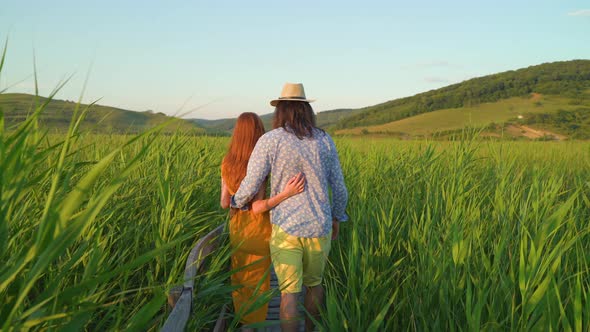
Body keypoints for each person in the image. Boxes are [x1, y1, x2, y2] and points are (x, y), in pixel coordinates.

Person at [231, 83, 349, 332]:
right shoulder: (325, 140)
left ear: (280, 110)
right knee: (314, 285)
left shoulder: (270, 140)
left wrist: (237, 201)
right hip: (319, 226)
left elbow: (251, 182)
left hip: (286, 227)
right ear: (306, 109)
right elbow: (339, 187)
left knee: (289, 294)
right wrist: (337, 217)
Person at [220, 112, 307, 329]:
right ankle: (256, 323)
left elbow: (224, 203)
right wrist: (285, 194)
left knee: (240, 278)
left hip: (237, 229)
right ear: (258, 132)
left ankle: (243, 321)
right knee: (259, 281)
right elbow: (259, 206)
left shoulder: (227, 162)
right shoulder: (259, 163)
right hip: (259, 230)